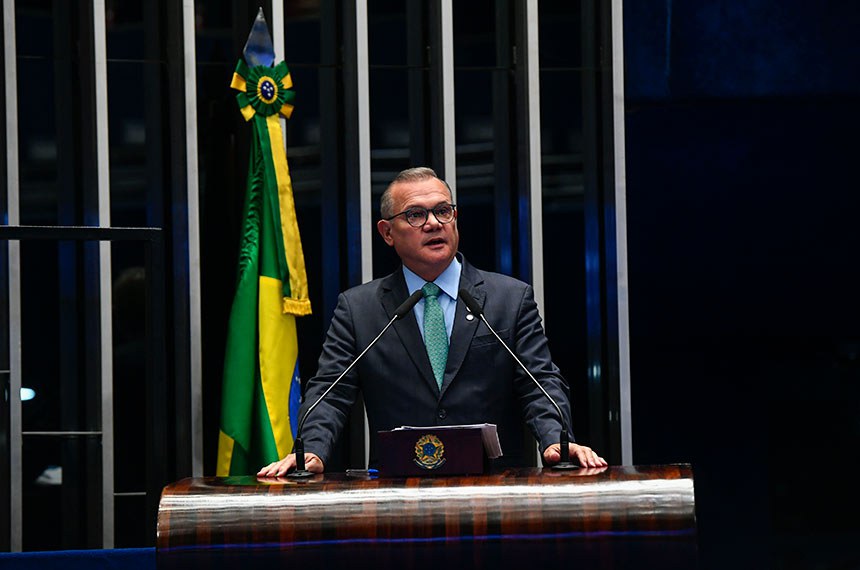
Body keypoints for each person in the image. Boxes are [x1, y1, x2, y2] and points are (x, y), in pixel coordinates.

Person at [258, 167, 606, 476]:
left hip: (493, 489)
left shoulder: (509, 299)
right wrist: (313, 450)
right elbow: (330, 394)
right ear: (387, 232)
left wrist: (554, 439)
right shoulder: (358, 309)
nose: (433, 223)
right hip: (396, 491)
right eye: (415, 215)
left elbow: (539, 381)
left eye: (443, 211)